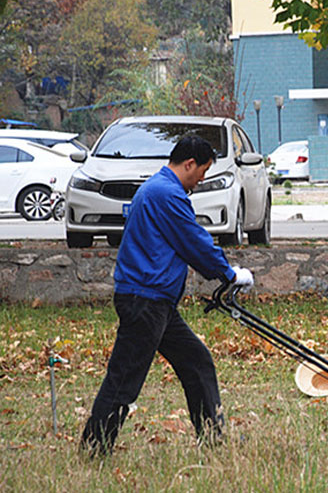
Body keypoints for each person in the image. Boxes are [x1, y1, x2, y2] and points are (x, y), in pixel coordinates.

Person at [80, 136, 254, 456]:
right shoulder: (166, 194)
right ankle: (94, 448)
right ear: (188, 164)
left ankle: (213, 436)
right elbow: (193, 241)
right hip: (145, 301)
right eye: (200, 173)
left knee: (196, 361)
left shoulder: (157, 189)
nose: (199, 182)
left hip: (155, 301)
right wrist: (229, 274)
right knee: (124, 379)